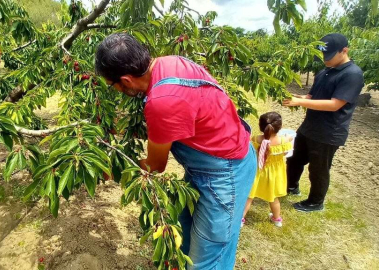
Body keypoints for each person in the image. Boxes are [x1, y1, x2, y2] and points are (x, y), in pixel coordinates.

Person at [95, 33, 257, 269]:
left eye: (113, 86)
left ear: (126, 80)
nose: (115, 90)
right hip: (210, 164)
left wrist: (114, 171)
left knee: (209, 260)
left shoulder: (162, 101)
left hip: (225, 174)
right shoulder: (168, 62)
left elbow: (155, 166)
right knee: (187, 238)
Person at [283, 33, 364, 212]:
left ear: (344, 51)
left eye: (329, 56)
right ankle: (291, 186)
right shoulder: (325, 71)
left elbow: (335, 104)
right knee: (295, 159)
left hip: (328, 132)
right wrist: (296, 97)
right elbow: (312, 96)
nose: (325, 60)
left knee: (318, 169)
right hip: (310, 126)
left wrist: (301, 102)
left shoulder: (352, 74)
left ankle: (315, 202)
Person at [241, 112, 292, 227]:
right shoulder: (284, 142)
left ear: (260, 126)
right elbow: (285, 153)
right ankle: (276, 219)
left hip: (257, 171)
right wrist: (287, 138)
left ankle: (240, 219)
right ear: (279, 127)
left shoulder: (255, 139)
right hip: (274, 174)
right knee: (273, 198)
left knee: (249, 196)